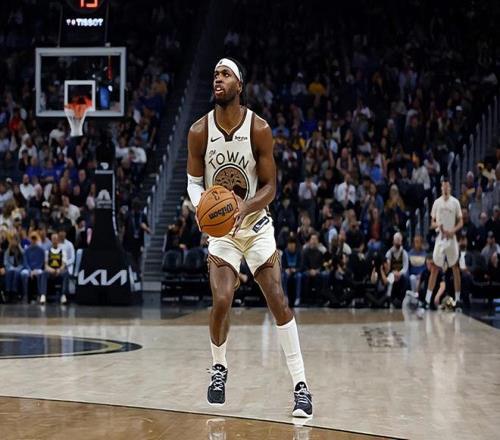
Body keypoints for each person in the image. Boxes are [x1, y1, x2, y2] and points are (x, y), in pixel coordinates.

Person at [186, 58, 312, 416]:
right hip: (223, 231)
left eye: (225, 75)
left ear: (239, 85)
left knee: (278, 300)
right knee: (222, 300)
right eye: (215, 74)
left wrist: (245, 206)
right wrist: (201, 207)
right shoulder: (199, 131)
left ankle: (301, 386)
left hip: (255, 225)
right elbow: (194, 183)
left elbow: (271, 187)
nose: (218, 79)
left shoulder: (259, 128)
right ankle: (219, 367)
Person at [426, 177, 463, 309]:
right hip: (440, 238)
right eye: (443, 186)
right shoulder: (437, 203)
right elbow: (432, 223)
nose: (445, 188)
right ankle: (427, 300)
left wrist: (453, 230)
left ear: (450, 188)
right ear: (441, 188)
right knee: (435, 267)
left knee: (455, 268)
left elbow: (461, 222)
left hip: (451, 237)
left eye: (447, 186)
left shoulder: (455, 202)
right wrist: (439, 225)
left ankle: (458, 299)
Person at [20, 232, 47, 304]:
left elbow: (41, 262)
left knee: (41, 274)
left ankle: (39, 294)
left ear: (37, 239)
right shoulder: (26, 250)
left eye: (35, 238)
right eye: (32, 238)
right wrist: (30, 271)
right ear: (30, 239)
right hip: (28, 269)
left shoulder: (41, 250)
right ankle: (25, 295)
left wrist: (35, 270)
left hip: (37, 268)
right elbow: (25, 262)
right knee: (24, 274)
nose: (33, 240)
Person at [384, 232, 409, 307]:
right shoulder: (389, 253)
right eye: (396, 240)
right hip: (392, 273)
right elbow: (387, 268)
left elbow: (405, 267)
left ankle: (402, 300)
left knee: (405, 279)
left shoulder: (404, 253)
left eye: (399, 240)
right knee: (391, 278)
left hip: (401, 274)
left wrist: (399, 273)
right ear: (393, 241)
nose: (398, 242)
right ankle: (389, 298)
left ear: (401, 241)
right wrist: (393, 273)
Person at [44, 232, 68, 305]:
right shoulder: (47, 252)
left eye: (56, 239)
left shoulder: (63, 251)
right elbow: (46, 265)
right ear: (51, 240)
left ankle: (63, 295)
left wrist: (59, 270)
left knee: (66, 273)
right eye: (53, 239)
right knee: (44, 273)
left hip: (59, 271)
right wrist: (51, 270)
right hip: (50, 271)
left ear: (58, 240)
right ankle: (43, 295)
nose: (54, 241)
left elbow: (63, 265)